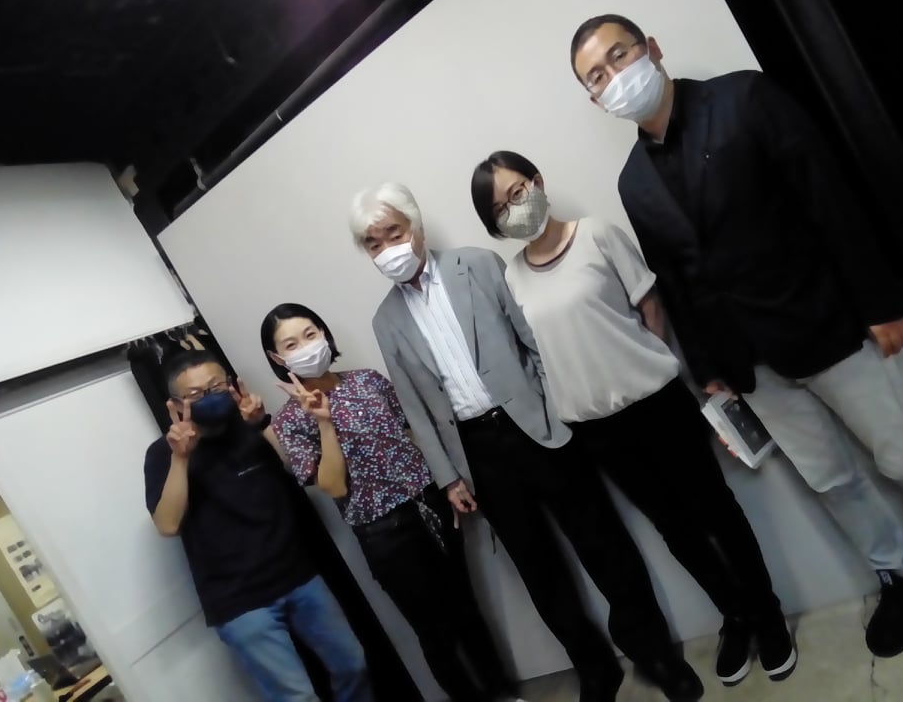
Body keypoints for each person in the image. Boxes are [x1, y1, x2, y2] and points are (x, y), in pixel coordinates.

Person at [570, 13, 903, 658]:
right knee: (830, 480)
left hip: (829, 325)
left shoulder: (744, 97)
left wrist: (881, 301)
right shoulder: (632, 182)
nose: (613, 77)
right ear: (593, 98)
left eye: (618, 56)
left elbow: (828, 196)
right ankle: (901, 576)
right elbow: (678, 282)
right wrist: (709, 372)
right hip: (750, 366)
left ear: (652, 48)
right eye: (596, 76)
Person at [352, 182, 704, 702]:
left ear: (416, 226)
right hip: (476, 453)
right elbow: (415, 407)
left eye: (394, 233)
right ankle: (594, 667)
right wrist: (448, 478)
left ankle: (655, 654)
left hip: (538, 427)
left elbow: (532, 342)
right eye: (374, 243)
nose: (388, 249)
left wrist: (555, 409)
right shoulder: (385, 321)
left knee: (602, 542)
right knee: (539, 570)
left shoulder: (478, 264)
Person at [470, 150, 795, 687]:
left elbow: (650, 307)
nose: (515, 208)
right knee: (676, 531)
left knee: (717, 511)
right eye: (501, 208)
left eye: (517, 191)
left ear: (538, 181)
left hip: (658, 405)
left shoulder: (597, 234)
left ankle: (767, 613)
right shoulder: (513, 279)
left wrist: (639, 364)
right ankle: (733, 614)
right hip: (597, 431)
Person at [260, 303, 523, 702]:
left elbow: (413, 433)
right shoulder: (290, 421)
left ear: (325, 334)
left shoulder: (368, 380)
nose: (306, 346)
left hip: (429, 506)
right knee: (433, 629)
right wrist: (324, 423)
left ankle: (502, 693)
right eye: (291, 344)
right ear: (278, 358)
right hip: (384, 533)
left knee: (465, 608)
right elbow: (332, 486)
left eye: (310, 334)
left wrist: (447, 484)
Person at [143, 350, 373, 702]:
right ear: (175, 405)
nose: (210, 397)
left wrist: (262, 424)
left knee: (353, 664)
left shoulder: (252, 426)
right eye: (196, 394)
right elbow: (168, 524)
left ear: (232, 385)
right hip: (240, 602)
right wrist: (181, 458)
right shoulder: (163, 453)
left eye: (216, 386)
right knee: (297, 697)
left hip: (299, 577)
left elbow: (300, 472)